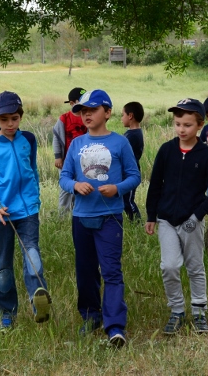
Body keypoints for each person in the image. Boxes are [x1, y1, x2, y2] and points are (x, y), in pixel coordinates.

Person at [59, 89, 141, 348]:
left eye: (92, 110)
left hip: (109, 218)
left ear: (107, 112)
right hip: (81, 217)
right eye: (83, 112)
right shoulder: (76, 144)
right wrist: (74, 186)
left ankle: (115, 326)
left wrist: (118, 188)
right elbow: (64, 176)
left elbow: (134, 176)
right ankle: (91, 316)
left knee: (111, 271)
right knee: (85, 271)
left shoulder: (120, 142)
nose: (86, 115)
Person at [145, 98, 208, 335]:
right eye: (178, 123)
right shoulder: (166, 150)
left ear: (199, 125)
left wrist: (198, 214)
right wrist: (151, 215)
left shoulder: (206, 155)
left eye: (187, 125)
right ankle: (177, 311)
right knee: (169, 266)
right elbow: (155, 185)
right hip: (166, 220)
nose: (181, 129)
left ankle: (199, 311)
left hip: (192, 221)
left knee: (194, 266)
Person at [0, 91, 52, 330]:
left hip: (28, 212)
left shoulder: (28, 139)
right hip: (2, 216)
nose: (10, 124)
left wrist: (35, 198)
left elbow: (32, 171)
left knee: (32, 254)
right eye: (5, 119)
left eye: (15, 118)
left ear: (21, 117)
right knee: (3, 267)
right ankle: (7, 312)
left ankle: (38, 298)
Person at [53, 87, 88, 216]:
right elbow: (56, 138)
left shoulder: (87, 118)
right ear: (73, 103)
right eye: (82, 101)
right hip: (66, 161)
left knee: (80, 186)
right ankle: (62, 213)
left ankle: (76, 212)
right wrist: (58, 156)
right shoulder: (64, 119)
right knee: (66, 188)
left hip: (83, 162)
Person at [121, 101, 144, 222]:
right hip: (126, 173)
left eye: (122, 115)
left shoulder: (133, 135)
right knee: (124, 199)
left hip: (130, 173)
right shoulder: (132, 133)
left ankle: (137, 222)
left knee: (128, 201)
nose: (121, 118)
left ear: (130, 116)